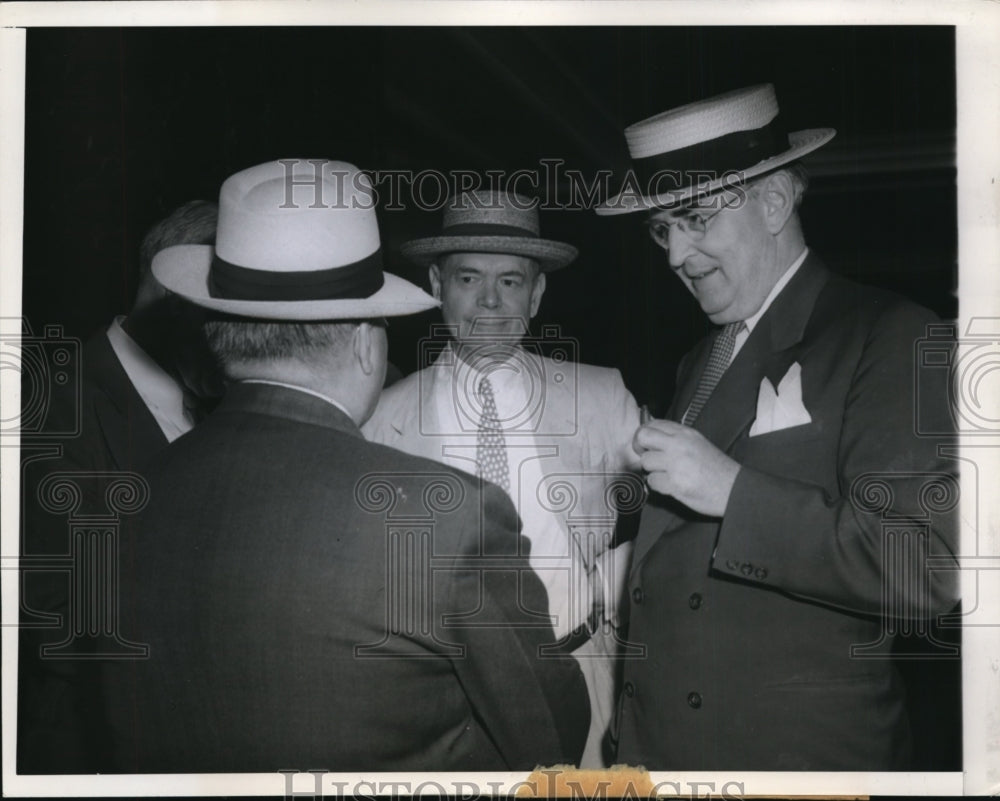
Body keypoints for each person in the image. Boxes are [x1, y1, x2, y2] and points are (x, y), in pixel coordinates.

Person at [97, 159, 590, 772]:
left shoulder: (125, 500)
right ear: (365, 343)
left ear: (219, 334)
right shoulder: (445, 516)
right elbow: (550, 733)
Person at [595, 83, 960, 770]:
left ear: (772, 203)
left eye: (695, 218)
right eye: (661, 229)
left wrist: (736, 492)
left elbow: (927, 567)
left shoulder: (891, 334)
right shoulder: (697, 361)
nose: (674, 254)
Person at [363, 190, 642, 767]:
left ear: (537, 295)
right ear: (436, 284)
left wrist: (613, 589)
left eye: (511, 282)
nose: (489, 300)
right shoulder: (377, 421)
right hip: (446, 699)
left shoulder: (601, 395)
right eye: (469, 278)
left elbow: (679, 517)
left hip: (583, 670)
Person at [18, 199, 222, 773]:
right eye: (221, 307)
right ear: (167, 292)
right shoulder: (55, 408)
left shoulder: (212, 396)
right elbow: (52, 617)